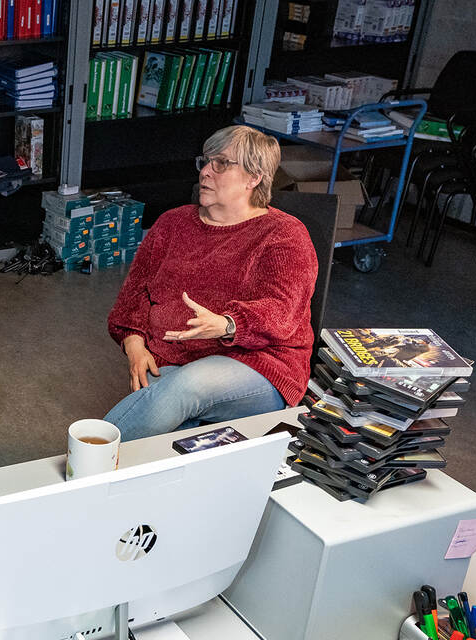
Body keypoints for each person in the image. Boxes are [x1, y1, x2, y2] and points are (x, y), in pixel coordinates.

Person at [103, 125, 318, 440]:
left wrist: (228, 324)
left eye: (221, 163)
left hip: (258, 365)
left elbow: (284, 310)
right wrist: (134, 344)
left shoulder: (284, 234)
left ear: (253, 177)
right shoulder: (172, 223)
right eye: (205, 161)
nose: (205, 171)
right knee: (172, 423)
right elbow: (134, 295)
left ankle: (86, 457)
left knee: (185, 388)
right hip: (173, 359)